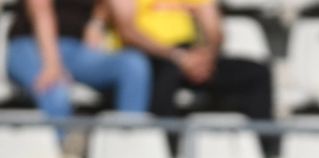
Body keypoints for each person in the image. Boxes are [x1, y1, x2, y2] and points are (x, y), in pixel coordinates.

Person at [103, 0, 273, 121]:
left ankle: (266, 153)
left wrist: (208, 55)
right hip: (145, 55)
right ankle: (167, 152)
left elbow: (214, 28)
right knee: (166, 74)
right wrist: (176, 56)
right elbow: (128, 32)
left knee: (257, 73)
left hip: (189, 56)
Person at [6, 0, 150, 120]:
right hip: (30, 45)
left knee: (133, 65)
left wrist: (97, 21)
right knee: (54, 89)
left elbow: (120, 9)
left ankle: (128, 143)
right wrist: (53, 64)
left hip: (76, 48)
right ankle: (61, 149)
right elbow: (40, 10)